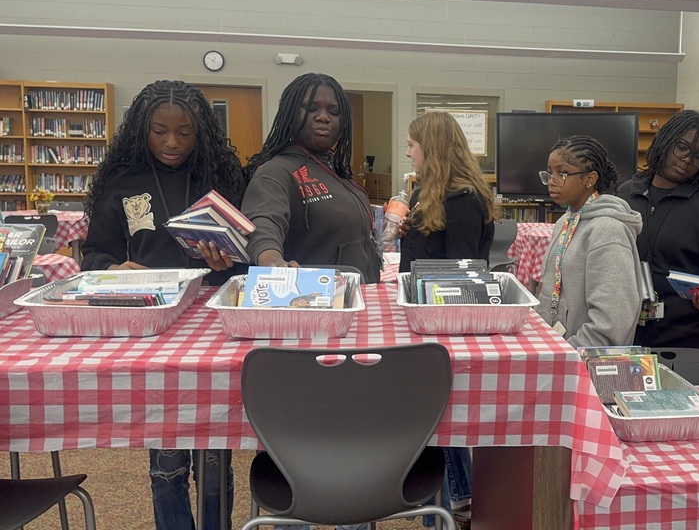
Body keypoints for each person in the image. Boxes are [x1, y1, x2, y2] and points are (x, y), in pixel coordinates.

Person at [81, 79, 245, 530]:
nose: (172, 142)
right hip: (153, 333)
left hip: (213, 332)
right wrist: (112, 269)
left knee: (216, 460)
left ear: (202, 133)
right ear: (141, 130)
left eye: (185, 132)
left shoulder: (222, 181)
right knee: (167, 464)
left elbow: (245, 267)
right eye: (159, 131)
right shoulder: (122, 183)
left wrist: (226, 262)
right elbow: (93, 255)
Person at [399, 109, 497, 529]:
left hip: (447, 327)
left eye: (412, 145)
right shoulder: (429, 191)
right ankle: (457, 499)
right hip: (426, 319)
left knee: (443, 416)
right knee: (437, 417)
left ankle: (457, 503)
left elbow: (460, 276)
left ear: (431, 149)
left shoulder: (463, 201)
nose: (408, 152)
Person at [618, 110, 699, 353]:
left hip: (686, 343)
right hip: (624, 335)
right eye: (682, 147)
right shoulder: (626, 194)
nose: (687, 160)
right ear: (665, 141)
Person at [242, 73, 380, 283]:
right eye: (310, 109)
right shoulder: (275, 171)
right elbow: (263, 220)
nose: (323, 117)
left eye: (333, 111)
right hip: (316, 301)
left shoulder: (338, 170)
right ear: (289, 114)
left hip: (357, 297)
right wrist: (271, 260)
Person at [536, 135, 644, 347]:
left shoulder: (608, 230)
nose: (552, 180)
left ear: (590, 179)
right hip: (555, 349)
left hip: (584, 361)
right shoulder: (565, 221)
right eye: (549, 173)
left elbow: (611, 323)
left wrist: (567, 353)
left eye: (563, 173)